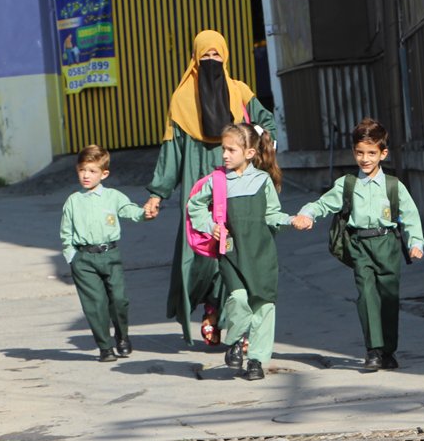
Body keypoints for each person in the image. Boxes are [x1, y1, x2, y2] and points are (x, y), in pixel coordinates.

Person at [143, 30, 276, 346]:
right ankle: (210, 308)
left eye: (217, 56)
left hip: (235, 182)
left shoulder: (239, 91)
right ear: (194, 59)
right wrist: (157, 193)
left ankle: (228, 319)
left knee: (234, 250)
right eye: (205, 56)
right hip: (197, 184)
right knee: (202, 251)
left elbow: (266, 125)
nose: (211, 61)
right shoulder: (181, 99)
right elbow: (171, 149)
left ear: (226, 57)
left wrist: (251, 143)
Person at [296, 118, 424, 371]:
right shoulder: (347, 184)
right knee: (366, 296)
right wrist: (307, 214)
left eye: (371, 153)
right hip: (360, 244)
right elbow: (323, 203)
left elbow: (410, 214)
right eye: (359, 152)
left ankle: (388, 350)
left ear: (383, 153)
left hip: (387, 244)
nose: (365, 159)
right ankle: (373, 351)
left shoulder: (393, 185)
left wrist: (416, 242)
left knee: (389, 299)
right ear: (354, 152)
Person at [188, 123, 311, 380]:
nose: (225, 155)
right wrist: (211, 226)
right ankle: (234, 341)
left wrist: (292, 220)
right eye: (224, 149)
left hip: (262, 254)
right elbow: (194, 205)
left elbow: (273, 214)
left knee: (264, 307)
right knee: (239, 300)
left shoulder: (263, 180)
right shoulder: (217, 181)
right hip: (232, 254)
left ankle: (256, 360)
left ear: (250, 153)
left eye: (231, 150)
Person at [60, 145, 156, 362]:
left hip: (109, 255)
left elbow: (129, 210)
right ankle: (105, 348)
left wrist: (144, 214)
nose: (86, 175)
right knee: (95, 305)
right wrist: (72, 257)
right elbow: (66, 232)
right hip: (84, 259)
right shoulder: (73, 201)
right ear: (77, 169)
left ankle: (122, 336)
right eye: (83, 170)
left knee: (119, 300)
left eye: (92, 171)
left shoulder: (113, 196)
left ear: (104, 174)